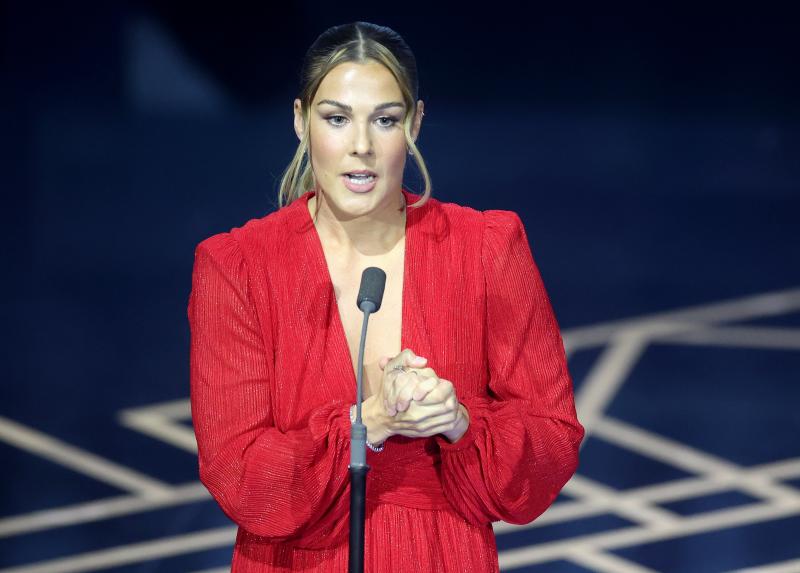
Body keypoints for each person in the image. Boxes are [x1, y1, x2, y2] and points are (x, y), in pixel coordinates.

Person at [188, 21, 584, 572]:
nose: (361, 147)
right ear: (300, 121)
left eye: (385, 120)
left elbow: (552, 439)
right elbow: (237, 472)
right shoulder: (237, 267)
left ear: (415, 123)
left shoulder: (488, 249)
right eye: (336, 118)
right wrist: (368, 422)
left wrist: (459, 421)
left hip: (442, 554)